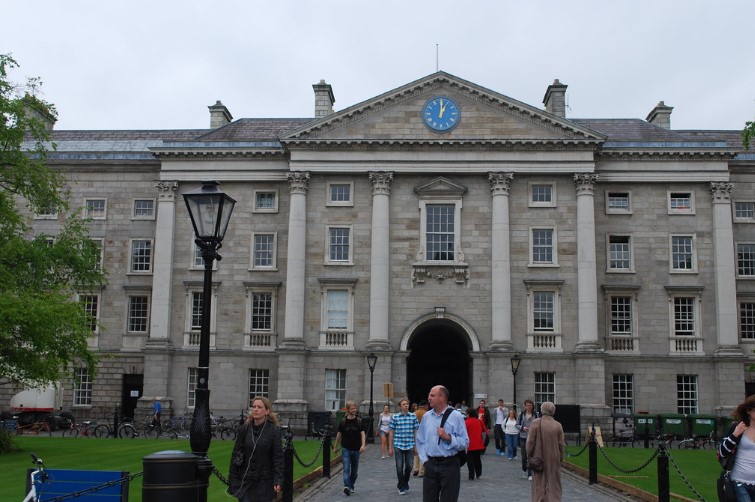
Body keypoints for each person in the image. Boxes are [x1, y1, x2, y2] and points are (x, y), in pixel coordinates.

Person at [416, 385, 469, 502]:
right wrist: (425, 461)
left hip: (449, 465)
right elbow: (420, 441)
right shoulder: (426, 416)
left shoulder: (456, 416)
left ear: (442, 397)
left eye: (432, 395)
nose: (429, 398)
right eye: (429, 395)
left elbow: (465, 442)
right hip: (430, 465)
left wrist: (449, 438)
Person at [227, 397, 283, 502]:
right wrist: (232, 480)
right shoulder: (244, 429)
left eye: (259, 407)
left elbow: (278, 458)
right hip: (245, 483)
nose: (255, 409)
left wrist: (278, 480)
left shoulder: (274, 431)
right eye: (254, 407)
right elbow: (235, 455)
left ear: (267, 411)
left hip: (264, 484)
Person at [718, 394, 755, 500]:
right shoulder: (737, 427)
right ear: (748, 410)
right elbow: (721, 452)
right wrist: (734, 435)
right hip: (740, 480)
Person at [526, 401, 564, 502]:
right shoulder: (558, 425)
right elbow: (561, 444)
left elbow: (530, 442)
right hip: (554, 457)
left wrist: (529, 454)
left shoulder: (536, 422)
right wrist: (560, 456)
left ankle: (539, 499)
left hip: (539, 456)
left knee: (539, 482)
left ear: (542, 410)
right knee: (553, 481)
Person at [333, 400, 366, 496]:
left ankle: (351, 485)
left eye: (355, 408)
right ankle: (346, 486)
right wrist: (335, 446)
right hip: (346, 448)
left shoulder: (359, 421)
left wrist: (363, 445)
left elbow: (362, 433)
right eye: (352, 409)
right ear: (348, 410)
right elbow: (339, 434)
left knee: (354, 471)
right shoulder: (343, 421)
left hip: (356, 449)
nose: (354, 410)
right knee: (346, 468)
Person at [388, 397, 420, 495]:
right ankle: (401, 486)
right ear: (400, 406)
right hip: (398, 444)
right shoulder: (395, 417)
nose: (406, 405)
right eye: (404, 404)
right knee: (399, 466)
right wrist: (390, 447)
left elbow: (416, 432)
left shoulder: (413, 417)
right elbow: (391, 433)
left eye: (407, 404)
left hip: (410, 444)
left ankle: (405, 481)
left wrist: (416, 446)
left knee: (410, 466)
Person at [518, 399, 540, 479]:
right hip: (523, 437)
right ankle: (524, 469)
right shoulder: (521, 414)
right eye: (527, 405)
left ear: (532, 406)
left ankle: (530, 473)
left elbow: (539, 425)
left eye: (530, 405)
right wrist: (522, 427)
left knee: (530, 455)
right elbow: (517, 425)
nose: (529, 407)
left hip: (533, 438)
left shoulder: (536, 415)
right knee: (524, 456)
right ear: (525, 406)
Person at [464, 408, 485, 480]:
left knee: (470, 461)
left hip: (470, 445)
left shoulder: (466, 422)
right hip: (478, 444)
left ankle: (471, 475)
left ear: (469, 414)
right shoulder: (479, 421)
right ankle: (478, 473)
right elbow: (484, 431)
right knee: (477, 460)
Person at [413, 400, 429, 478]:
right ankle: (421, 471)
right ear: (425, 406)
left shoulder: (414, 413)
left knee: (416, 452)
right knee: (423, 452)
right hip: (424, 434)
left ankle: (416, 468)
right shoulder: (426, 413)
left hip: (415, 434)